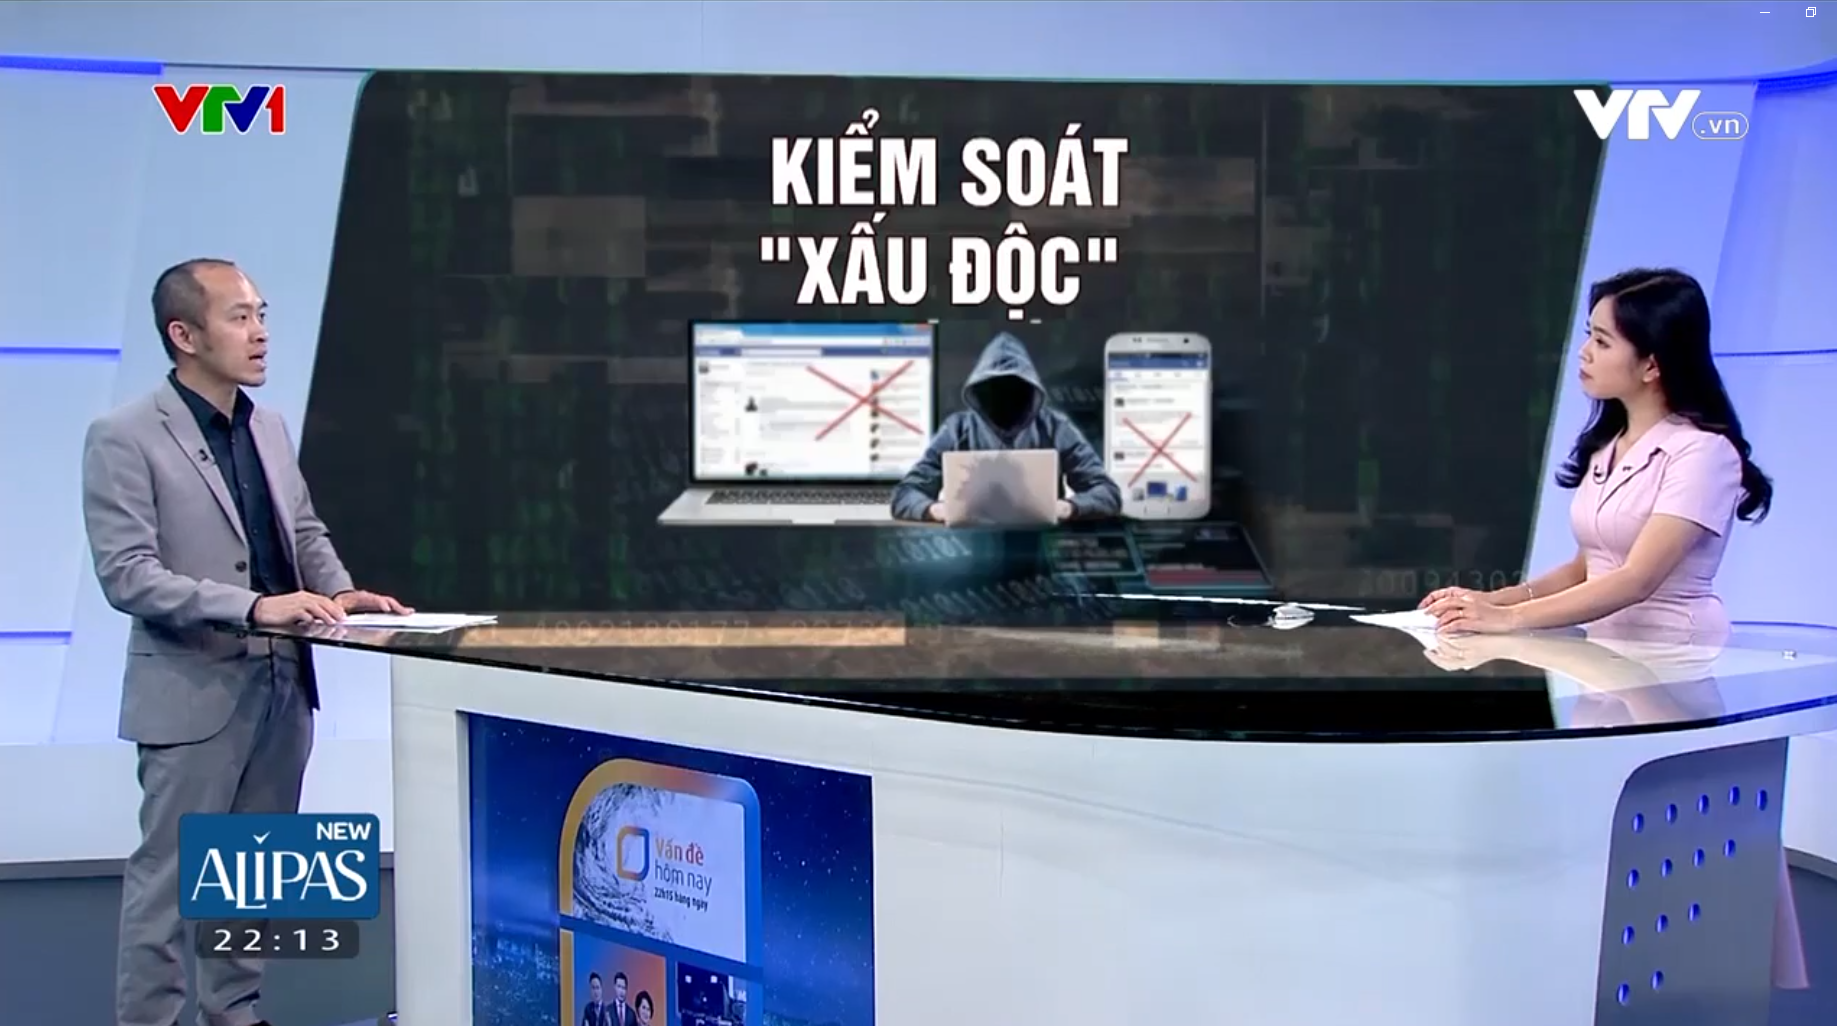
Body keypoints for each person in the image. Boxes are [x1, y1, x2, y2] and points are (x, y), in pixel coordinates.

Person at [83, 258, 409, 1026]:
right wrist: (256, 608)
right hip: (192, 690)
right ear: (184, 334)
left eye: (262, 314)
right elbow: (128, 576)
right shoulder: (124, 436)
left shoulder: (269, 427)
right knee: (168, 884)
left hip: (283, 689)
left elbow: (302, 531)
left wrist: (338, 593)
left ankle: (235, 1012)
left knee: (254, 872)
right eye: (239, 317)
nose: (260, 333)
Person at [1422, 268, 1772, 639]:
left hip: (1676, 651)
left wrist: (1507, 619)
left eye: (1602, 342)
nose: (1584, 352)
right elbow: (1586, 568)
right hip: (1607, 651)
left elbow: (1637, 579)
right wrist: (1490, 602)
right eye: (1589, 335)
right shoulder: (1608, 446)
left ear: (1651, 365)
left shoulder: (1704, 453)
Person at [890, 331, 1122, 522]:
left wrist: (1067, 507)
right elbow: (904, 495)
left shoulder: (1055, 427)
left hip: (1041, 545)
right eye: (995, 388)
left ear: (1029, 389)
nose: (1004, 395)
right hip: (972, 545)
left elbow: (1107, 493)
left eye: (1013, 388)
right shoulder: (957, 429)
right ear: (980, 390)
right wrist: (936, 510)